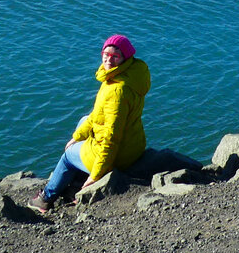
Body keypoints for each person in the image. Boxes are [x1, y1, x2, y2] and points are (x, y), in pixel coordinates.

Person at [30, 34, 151, 213]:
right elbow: (97, 114)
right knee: (84, 121)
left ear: (124, 58)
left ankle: (46, 198)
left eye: (115, 56)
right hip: (133, 143)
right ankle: (76, 177)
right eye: (106, 54)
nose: (108, 59)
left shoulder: (117, 90)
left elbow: (111, 137)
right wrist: (77, 136)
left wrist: (96, 176)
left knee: (68, 156)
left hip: (119, 154)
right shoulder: (129, 75)